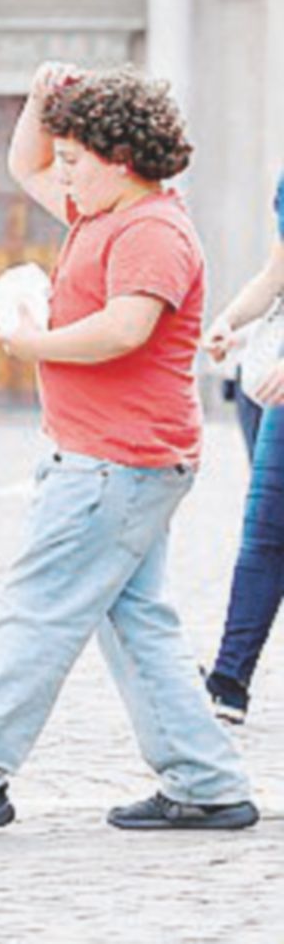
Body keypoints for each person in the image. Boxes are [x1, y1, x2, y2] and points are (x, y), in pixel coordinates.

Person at [0, 63, 257, 834]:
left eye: (76, 156)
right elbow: (25, 163)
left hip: (114, 464)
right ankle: (207, 782)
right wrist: (44, 101)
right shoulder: (101, 211)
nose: (62, 170)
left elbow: (124, 329)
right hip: (120, 461)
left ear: (121, 158)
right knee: (134, 623)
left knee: (36, 614)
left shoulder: (149, 230)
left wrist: (30, 344)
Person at [199, 170, 284, 724]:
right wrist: (229, 320)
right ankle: (228, 681)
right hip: (263, 374)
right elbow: (277, 275)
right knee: (273, 535)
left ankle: (228, 681)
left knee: (265, 533)